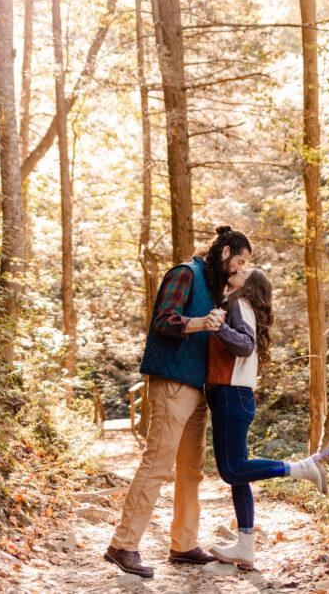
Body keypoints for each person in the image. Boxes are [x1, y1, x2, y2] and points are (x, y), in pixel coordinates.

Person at [105, 226, 252, 578]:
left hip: (198, 388)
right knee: (157, 464)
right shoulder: (184, 273)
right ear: (225, 251)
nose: (240, 268)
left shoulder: (215, 287)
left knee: (192, 471)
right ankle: (122, 545)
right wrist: (200, 322)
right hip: (172, 383)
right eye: (240, 260)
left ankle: (184, 544)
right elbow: (163, 321)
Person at [205, 267, 328, 570]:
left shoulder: (237, 305)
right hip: (236, 397)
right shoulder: (239, 307)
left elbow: (244, 345)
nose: (238, 269)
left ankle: (302, 467)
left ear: (250, 286)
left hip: (231, 396)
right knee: (240, 474)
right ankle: (245, 547)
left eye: (245, 270)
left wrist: (218, 327)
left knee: (232, 471)